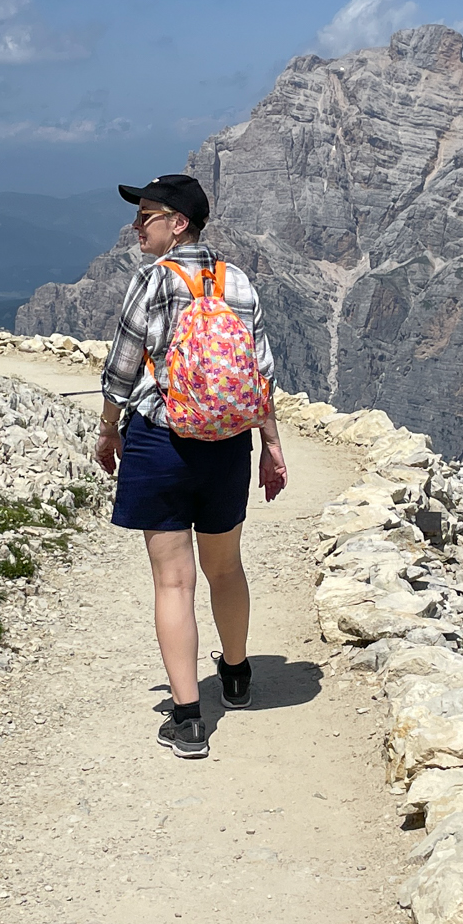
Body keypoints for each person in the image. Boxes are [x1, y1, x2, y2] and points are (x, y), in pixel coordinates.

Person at [92, 173, 288, 759]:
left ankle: (187, 719)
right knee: (225, 569)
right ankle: (236, 676)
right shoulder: (240, 281)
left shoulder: (151, 282)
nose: (135, 227)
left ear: (178, 224)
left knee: (173, 581)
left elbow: (123, 369)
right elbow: (261, 372)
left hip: (161, 441)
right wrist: (272, 443)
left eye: (145, 216)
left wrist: (107, 430)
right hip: (227, 442)